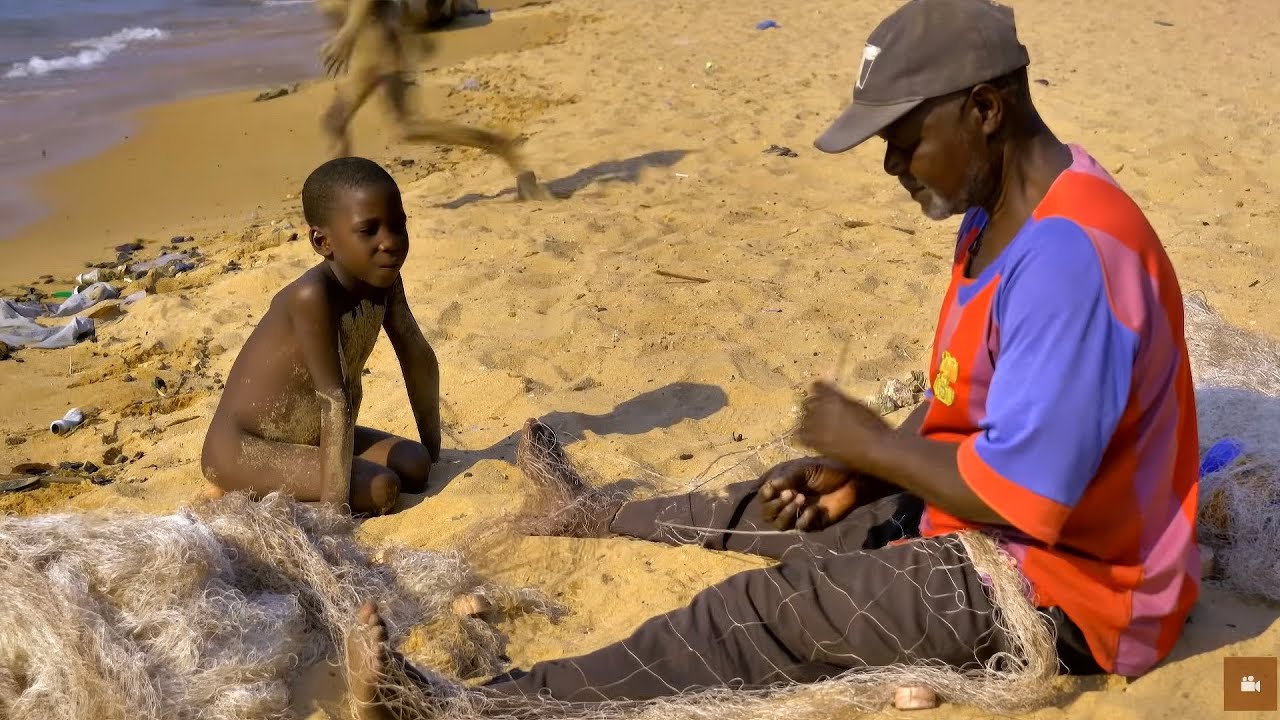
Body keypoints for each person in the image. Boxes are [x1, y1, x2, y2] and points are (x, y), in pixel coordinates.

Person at [342, 0, 1202, 712]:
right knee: (772, 509)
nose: (893, 165)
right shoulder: (994, 215)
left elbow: (1034, 500)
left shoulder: (1067, 259)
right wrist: (864, 473)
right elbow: (972, 406)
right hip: (988, 528)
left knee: (753, 616)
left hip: (1069, 595)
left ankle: (469, 708)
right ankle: (589, 513)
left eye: (903, 139)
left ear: (985, 108)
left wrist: (879, 448)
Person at [201, 156, 441, 517]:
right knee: (382, 488)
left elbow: (416, 352)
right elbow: (334, 399)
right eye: (369, 230)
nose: (390, 243)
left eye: (398, 226)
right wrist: (335, 512)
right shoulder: (312, 297)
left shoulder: (384, 281)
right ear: (322, 241)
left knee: (416, 463)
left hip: (310, 437)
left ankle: (291, 480)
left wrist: (433, 447)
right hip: (242, 448)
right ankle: (239, 487)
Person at [314, 0, 548, 200]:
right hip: (372, 49)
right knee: (408, 128)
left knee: (334, 122)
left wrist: (348, 34)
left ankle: (344, 205)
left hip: (377, 51)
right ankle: (500, 145)